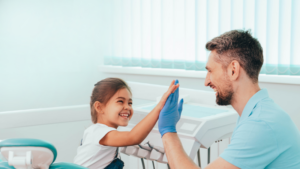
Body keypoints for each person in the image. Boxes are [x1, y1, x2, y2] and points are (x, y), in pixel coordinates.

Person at [158, 30, 300, 169]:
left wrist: (168, 131)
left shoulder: (260, 124)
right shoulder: (256, 112)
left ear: (233, 70)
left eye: (210, 71)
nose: (206, 82)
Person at [74, 78, 180, 169]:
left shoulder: (96, 131)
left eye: (130, 103)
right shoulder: (99, 132)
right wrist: (159, 107)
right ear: (99, 107)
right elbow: (132, 137)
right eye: (120, 101)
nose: (127, 107)